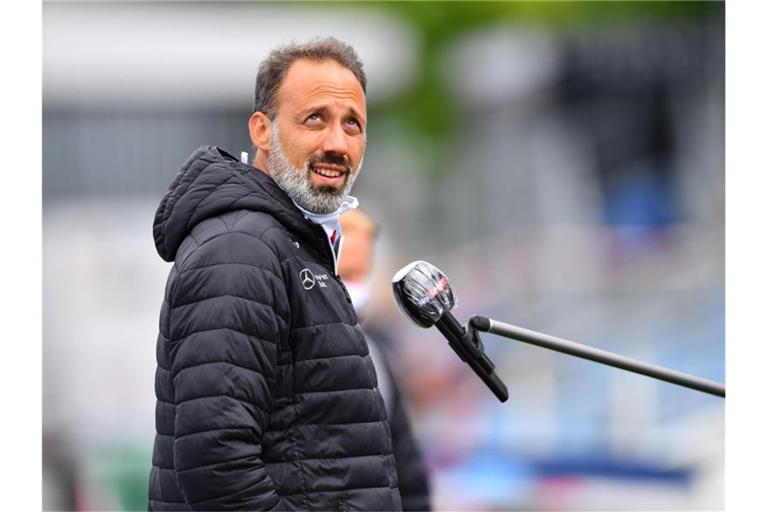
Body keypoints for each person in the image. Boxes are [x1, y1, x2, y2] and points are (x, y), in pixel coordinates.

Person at [148, 38, 402, 511]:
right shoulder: (239, 249)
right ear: (262, 131)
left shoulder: (291, 244)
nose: (337, 144)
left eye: (353, 124)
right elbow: (217, 466)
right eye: (315, 119)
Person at [338, 209, 432, 511]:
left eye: (363, 275)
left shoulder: (377, 358)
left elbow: (408, 473)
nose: (357, 288)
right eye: (347, 274)